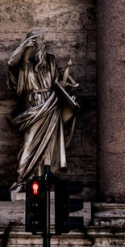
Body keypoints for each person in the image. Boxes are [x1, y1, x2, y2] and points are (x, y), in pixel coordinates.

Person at [6, 30, 79, 190]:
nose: (39, 44)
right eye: (35, 41)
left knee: (48, 145)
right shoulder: (25, 64)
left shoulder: (50, 61)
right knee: (29, 143)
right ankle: (22, 178)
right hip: (33, 107)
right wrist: (25, 49)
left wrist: (68, 88)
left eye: (41, 41)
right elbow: (12, 65)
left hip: (50, 105)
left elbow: (58, 83)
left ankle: (43, 182)